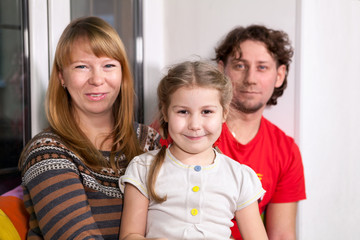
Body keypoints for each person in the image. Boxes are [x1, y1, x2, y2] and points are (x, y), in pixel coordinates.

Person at [18, 16, 160, 239]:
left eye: (109, 66)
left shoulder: (149, 141)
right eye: (82, 66)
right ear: (61, 77)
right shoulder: (47, 151)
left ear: (122, 74)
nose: (97, 79)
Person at [119, 61, 268, 240]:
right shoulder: (143, 168)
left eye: (206, 112)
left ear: (224, 113)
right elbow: (129, 235)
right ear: (165, 113)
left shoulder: (239, 176)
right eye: (183, 112)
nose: (195, 125)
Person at [213, 25, 306, 239]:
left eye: (262, 67)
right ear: (221, 70)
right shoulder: (188, 130)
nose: (250, 78)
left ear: (279, 75)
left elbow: (282, 234)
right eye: (239, 65)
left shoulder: (286, 150)